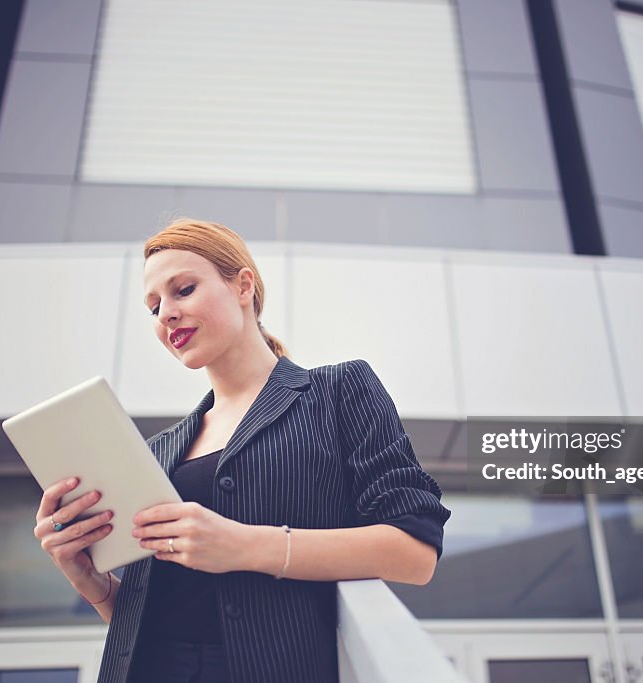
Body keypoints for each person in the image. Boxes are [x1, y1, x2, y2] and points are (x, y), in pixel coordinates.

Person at [33, 218, 452, 683]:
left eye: (183, 290)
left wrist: (243, 545)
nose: (165, 314)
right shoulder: (157, 451)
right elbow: (159, 622)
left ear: (243, 285)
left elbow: (415, 552)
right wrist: (93, 585)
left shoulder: (339, 391)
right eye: (153, 307)